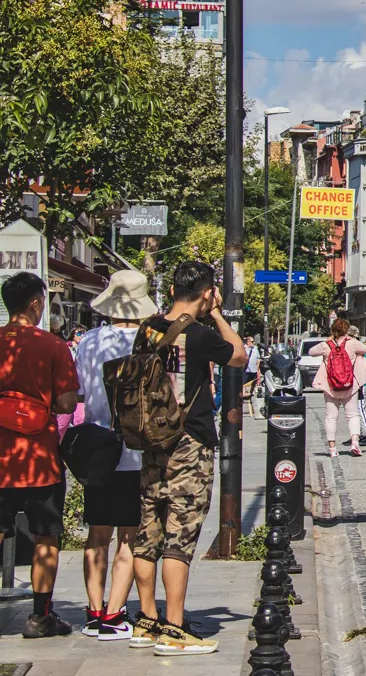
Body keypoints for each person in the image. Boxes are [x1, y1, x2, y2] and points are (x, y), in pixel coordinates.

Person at [131, 260, 247, 655]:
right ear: (204, 292)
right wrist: (216, 312)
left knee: (148, 535)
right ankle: (174, 628)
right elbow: (238, 355)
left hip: (150, 443)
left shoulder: (147, 328)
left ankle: (146, 621)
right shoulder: (197, 334)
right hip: (188, 443)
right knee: (179, 538)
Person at [73, 271, 154, 640]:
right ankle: (114, 614)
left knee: (96, 534)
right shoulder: (148, 341)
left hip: (96, 448)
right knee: (129, 536)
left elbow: (78, 391)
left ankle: (93, 610)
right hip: (135, 451)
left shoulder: (88, 341)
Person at [0, 272, 80, 638]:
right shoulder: (52, 346)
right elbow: (65, 402)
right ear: (35, 304)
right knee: (46, 536)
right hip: (40, 461)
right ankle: (40, 616)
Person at [309, 319, 366, 458]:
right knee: (353, 415)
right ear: (347, 330)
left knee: (331, 417)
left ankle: (332, 449)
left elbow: (311, 351)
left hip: (330, 386)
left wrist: (330, 340)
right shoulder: (352, 343)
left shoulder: (326, 345)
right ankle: (355, 442)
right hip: (350, 385)